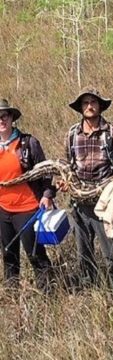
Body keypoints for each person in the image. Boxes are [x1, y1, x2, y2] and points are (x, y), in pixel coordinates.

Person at [61, 87, 113, 312]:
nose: (89, 106)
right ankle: (91, 301)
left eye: (93, 102)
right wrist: (64, 183)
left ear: (100, 106)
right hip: (79, 205)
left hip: (106, 205)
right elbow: (67, 168)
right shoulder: (72, 134)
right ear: (80, 108)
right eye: (85, 103)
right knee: (84, 256)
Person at [0, 99, 56, 293]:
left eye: (4, 116)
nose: (1, 120)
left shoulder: (28, 143)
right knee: (8, 255)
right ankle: (12, 294)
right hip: (3, 210)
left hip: (28, 209)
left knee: (35, 254)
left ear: (11, 118)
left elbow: (47, 171)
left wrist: (47, 195)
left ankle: (49, 294)